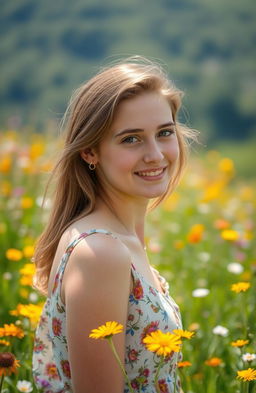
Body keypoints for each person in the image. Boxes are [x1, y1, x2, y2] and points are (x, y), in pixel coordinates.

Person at [32, 56, 197, 393]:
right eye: (131, 139)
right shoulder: (101, 253)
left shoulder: (115, 239)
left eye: (164, 132)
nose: (155, 154)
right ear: (90, 151)